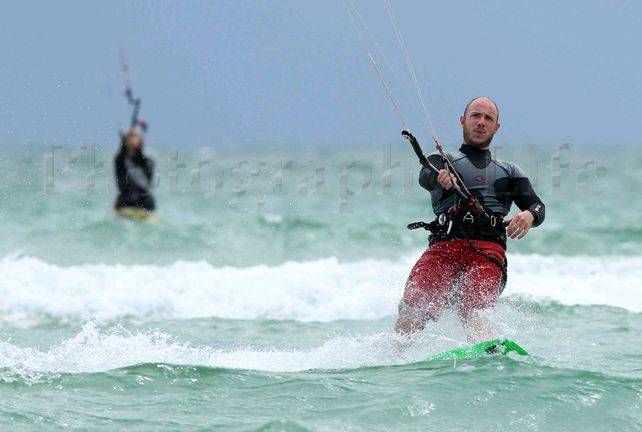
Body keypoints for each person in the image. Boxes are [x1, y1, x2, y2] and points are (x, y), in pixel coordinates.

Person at [395, 97, 545, 342]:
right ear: (463, 121)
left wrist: (530, 215)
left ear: (496, 127)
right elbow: (425, 176)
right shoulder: (442, 159)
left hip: (487, 253)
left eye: (488, 118)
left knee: (476, 311)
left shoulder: (510, 171)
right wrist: (440, 177)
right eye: (475, 116)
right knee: (412, 308)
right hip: (444, 248)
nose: (481, 122)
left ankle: (484, 352)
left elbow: (537, 206)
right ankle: (395, 355)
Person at [114, 124, 156, 218]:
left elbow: (147, 182)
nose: (133, 140)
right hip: (124, 202)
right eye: (131, 138)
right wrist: (124, 140)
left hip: (144, 203)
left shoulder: (147, 161)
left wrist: (134, 139)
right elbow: (121, 155)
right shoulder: (120, 160)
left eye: (136, 137)